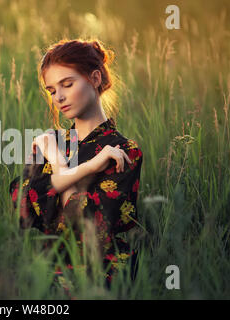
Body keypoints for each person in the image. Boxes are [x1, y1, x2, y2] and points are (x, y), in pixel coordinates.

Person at [9, 39, 143, 294]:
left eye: (67, 84)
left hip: (101, 275)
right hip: (45, 268)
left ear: (94, 78)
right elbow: (21, 210)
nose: (58, 97)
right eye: (51, 90)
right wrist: (83, 167)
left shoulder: (124, 152)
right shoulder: (50, 144)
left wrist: (58, 169)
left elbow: (90, 229)